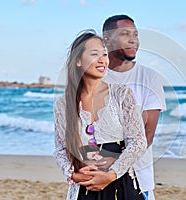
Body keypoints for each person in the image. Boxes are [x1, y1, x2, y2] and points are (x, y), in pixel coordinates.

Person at [53, 29, 147, 200]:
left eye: (104, 54)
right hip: (84, 189)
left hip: (121, 185)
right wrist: (72, 175)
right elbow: (60, 149)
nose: (103, 59)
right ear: (78, 61)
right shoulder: (63, 104)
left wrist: (111, 175)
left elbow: (138, 142)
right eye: (95, 54)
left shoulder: (122, 94)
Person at [101, 15, 167, 200]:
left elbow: (147, 135)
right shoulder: (94, 76)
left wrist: (114, 171)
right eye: (125, 34)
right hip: (97, 176)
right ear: (107, 39)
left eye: (135, 34)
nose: (133, 40)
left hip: (137, 178)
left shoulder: (149, 78)